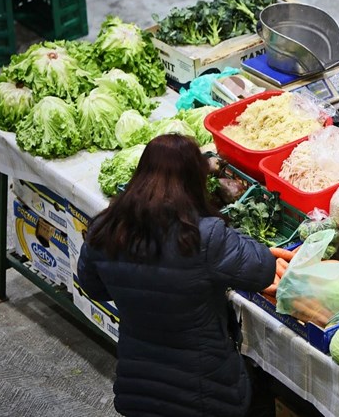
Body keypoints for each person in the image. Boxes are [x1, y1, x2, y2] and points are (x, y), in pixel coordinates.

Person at [77, 134, 275, 417]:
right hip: (206, 392)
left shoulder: (104, 228)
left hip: (139, 388)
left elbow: (92, 286)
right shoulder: (204, 235)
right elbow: (264, 269)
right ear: (194, 180)